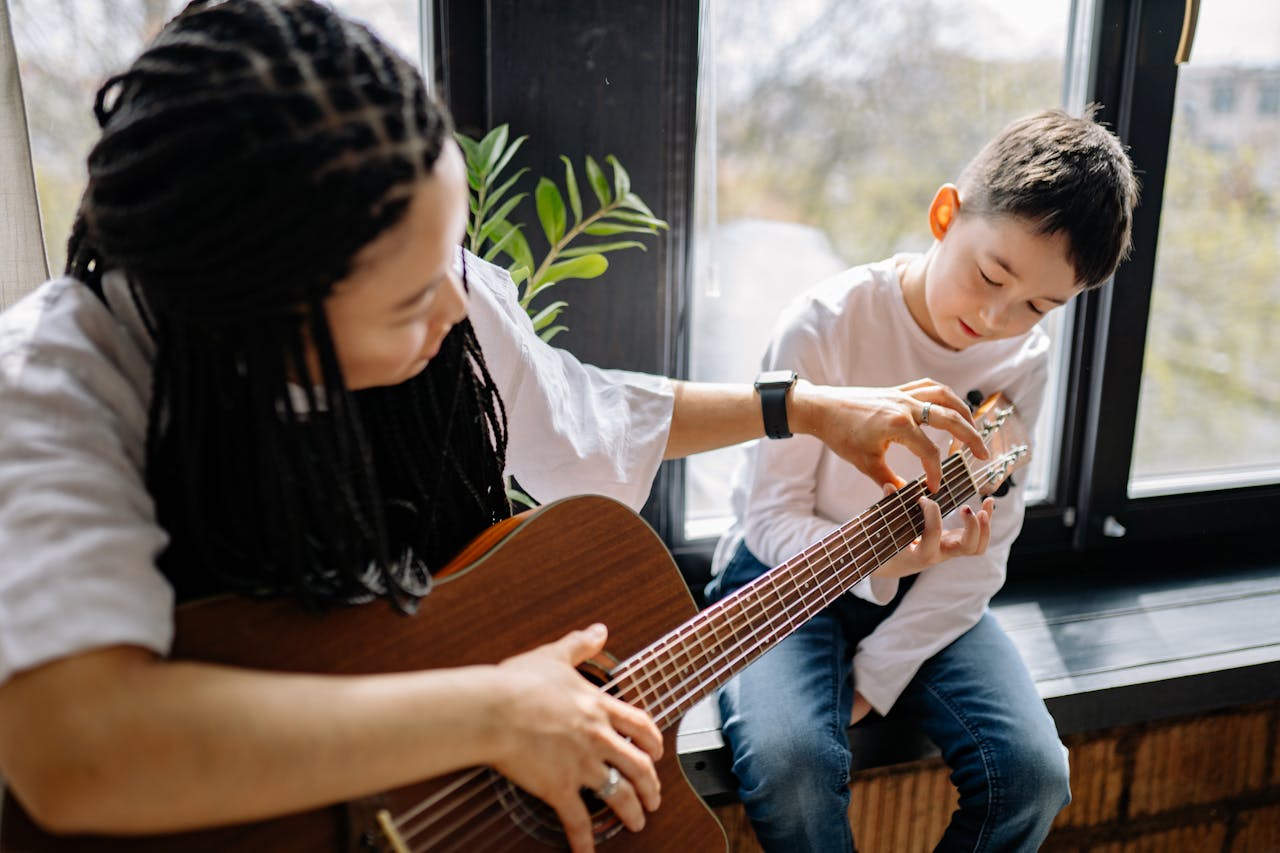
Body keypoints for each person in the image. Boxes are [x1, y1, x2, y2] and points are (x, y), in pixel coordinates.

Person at [0, 2, 990, 851]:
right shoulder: (60, 382)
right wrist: (489, 712)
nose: (455, 310)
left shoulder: (441, 291)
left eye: (451, 262)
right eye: (406, 304)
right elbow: (76, 748)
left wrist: (802, 407)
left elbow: (588, 417)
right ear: (254, 305)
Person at [705, 107, 1139, 852]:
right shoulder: (824, 322)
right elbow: (769, 521)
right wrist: (873, 560)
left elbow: (985, 548)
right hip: (783, 579)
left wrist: (878, 673)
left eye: (1038, 305)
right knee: (795, 769)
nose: (999, 316)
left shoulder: (1023, 362)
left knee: (1034, 776)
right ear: (946, 214)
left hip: (922, 587)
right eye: (989, 275)